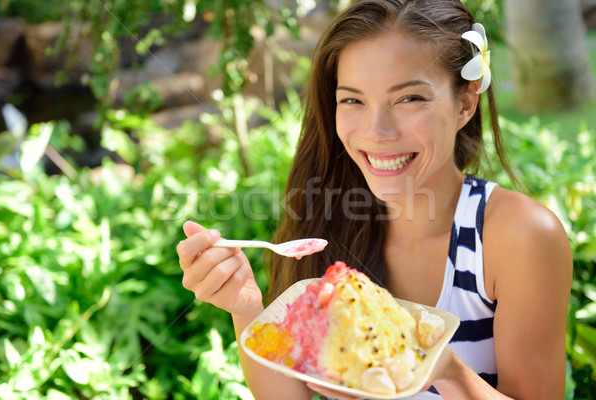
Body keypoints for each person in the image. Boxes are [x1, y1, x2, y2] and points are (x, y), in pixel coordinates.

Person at [176, 0, 573, 398]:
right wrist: (245, 308)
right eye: (352, 100)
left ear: (465, 104)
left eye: (410, 99)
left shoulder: (517, 236)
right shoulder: (329, 220)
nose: (377, 131)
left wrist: (446, 372)